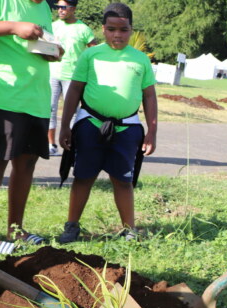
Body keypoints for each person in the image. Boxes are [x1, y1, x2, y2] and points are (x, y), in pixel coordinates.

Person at [57, 2, 157, 243]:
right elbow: (74, 91)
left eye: (123, 30)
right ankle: (72, 226)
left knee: (123, 180)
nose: (117, 35)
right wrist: (65, 125)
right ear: (103, 28)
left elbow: (149, 95)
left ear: (131, 29)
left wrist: (152, 131)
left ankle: (129, 229)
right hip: (90, 124)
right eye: (112, 29)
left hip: (127, 128)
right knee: (83, 176)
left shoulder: (141, 59)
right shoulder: (90, 55)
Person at [0, 0, 58, 253]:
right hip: (5, 95)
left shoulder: (44, 8)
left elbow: (37, 44)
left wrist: (53, 51)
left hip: (37, 98)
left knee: (26, 164)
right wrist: (13, 27)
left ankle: (16, 230)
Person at [47, 0, 96, 156]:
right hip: (53, 74)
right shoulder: (53, 25)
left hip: (73, 78)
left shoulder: (83, 29)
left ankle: (72, 145)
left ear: (73, 9)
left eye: (64, 7)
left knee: (73, 113)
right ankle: (51, 144)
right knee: (50, 109)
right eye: (58, 7)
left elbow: (94, 51)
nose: (60, 10)